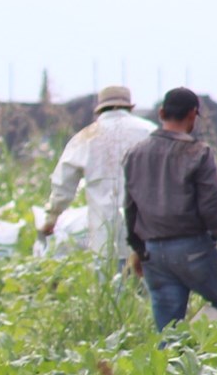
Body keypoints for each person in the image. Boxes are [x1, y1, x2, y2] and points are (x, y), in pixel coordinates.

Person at [122, 87, 217, 331]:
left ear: (161, 112)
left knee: (167, 328)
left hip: (153, 252)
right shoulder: (198, 152)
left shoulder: (135, 154)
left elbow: (130, 207)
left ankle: (175, 350)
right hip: (192, 248)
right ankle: (192, 338)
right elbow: (211, 209)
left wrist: (138, 249)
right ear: (193, 114)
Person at [38, 85, 156, 262]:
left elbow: (63, 184)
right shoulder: (150, 132)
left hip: (104, 233)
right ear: (130, 107)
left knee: (109, 283)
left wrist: (52, 217)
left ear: (100, 109)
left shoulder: (85, 137)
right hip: (148, 232)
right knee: (148, 286)